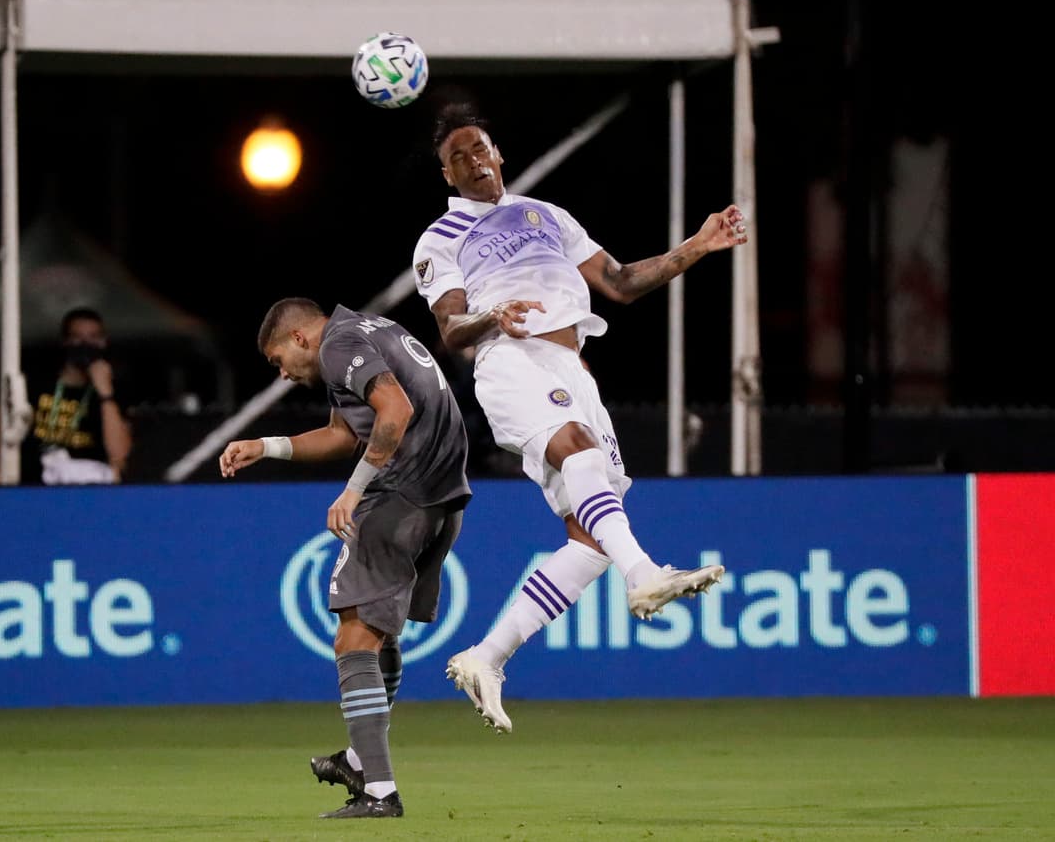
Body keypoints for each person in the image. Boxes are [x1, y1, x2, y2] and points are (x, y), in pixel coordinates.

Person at [411, 105, 749, 733]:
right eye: (458, 157)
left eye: (480, 147)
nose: (473, 161)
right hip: (509, 359)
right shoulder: (440, 239)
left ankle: (486, 657)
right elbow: (452, 328)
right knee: (577, 449)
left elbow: (619, 281)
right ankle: (645, 574)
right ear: (447, 175)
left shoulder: (547, 216)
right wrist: (492, 318)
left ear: (499, 153)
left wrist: (699, 246)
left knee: (590, 541)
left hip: (572, 367)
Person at [219, 297, 471, 819]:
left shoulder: (338, 345)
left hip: (403, 492)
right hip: (444, 498)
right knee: (378, 634)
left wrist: (353, 492)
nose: (283, 375)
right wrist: (265, 446)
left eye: (278, 362)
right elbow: (342, 435)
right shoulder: (367, 329)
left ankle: (378, 791)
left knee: (353, 637)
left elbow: (396, 411)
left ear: (300, 339)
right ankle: (361, 759)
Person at [0, 307, 133, 485]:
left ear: (103, 342)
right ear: (66, 341)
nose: (85, 345)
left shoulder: (114, 393)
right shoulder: (37, 383)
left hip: (89, 487)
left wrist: (105, 393)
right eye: (78, 337)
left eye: (93, 337)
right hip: (34, 483)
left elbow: (120, 455)